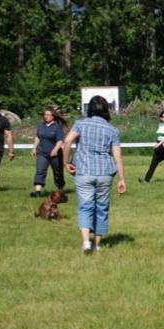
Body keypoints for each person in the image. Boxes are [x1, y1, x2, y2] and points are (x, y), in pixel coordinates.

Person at [62, 95, 126, 254]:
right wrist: (122, 178)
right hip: (105, 172)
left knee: (85, 207)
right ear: (106, 110)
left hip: (83, 170)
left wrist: (65, 162)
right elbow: (117, 155)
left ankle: (86, 242)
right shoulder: (112, 129)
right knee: (102, 208)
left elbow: (67, 141)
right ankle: (97, 244)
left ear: (89, 109)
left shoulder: (80, 124)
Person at [30, 107, 68, 197]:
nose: (45, 116)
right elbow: (38, 137)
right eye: (44, 115)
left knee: (58, 173)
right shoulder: (41, 126)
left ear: (53, 116)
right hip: (42, 153)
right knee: (40, 170)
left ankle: (60, 189)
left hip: (55, 154)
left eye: (47, 115)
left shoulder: (57, 127)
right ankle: (37, 192)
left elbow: (60, 140)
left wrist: (55, 149)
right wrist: (34, 148)